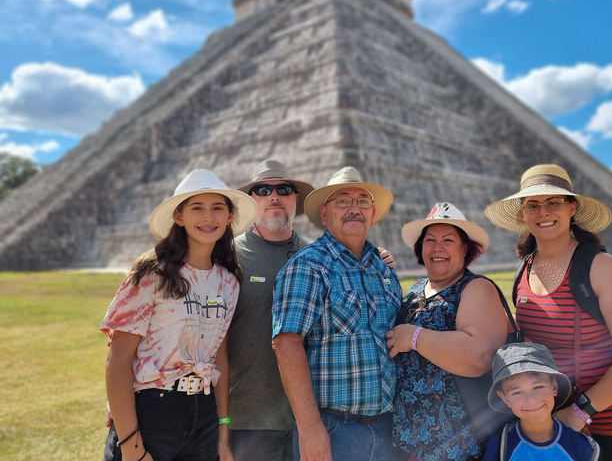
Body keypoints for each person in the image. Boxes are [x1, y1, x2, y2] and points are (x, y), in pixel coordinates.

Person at [484, 164, 612, 461]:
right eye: (533, 205)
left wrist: (580, 411)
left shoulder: (602, 268)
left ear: (572, 208)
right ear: (523, 214)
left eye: (553, 202)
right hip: (561, 426)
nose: (543, 212)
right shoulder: (524, 269)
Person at [229, 160, 397, 461]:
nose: (354, 209)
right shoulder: (233, 256)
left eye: (362, 202)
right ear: (324, 213)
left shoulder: (380, 269)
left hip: (377, 426)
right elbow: (285, 342)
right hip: (257, 416)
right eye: (343, 201)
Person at [100, 169, 257, 461]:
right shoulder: (152, 273)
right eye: (197, 207)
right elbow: (118, 359)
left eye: (217, 208)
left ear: (229, 217)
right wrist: (131, 445)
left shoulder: (229, 282)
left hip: (204, 415)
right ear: (179, 217)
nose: (208, 217)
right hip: (151, 412)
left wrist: (222, 433)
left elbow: (218, 357)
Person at [386, 202, 510, 461]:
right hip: (409, 440)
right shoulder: (415, 290)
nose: (437, 247)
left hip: (459, 443)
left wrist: (415, 337)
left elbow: (480, 356)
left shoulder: (475, 288)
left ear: (465, 249)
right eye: (429, 240)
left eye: (448, 240)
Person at [483, 342, 600, 461]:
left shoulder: (579, 446)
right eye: (517, 392)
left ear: (554, 387)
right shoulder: (500, 446)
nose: (531, 399)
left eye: (538, 387)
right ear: (505, 399)